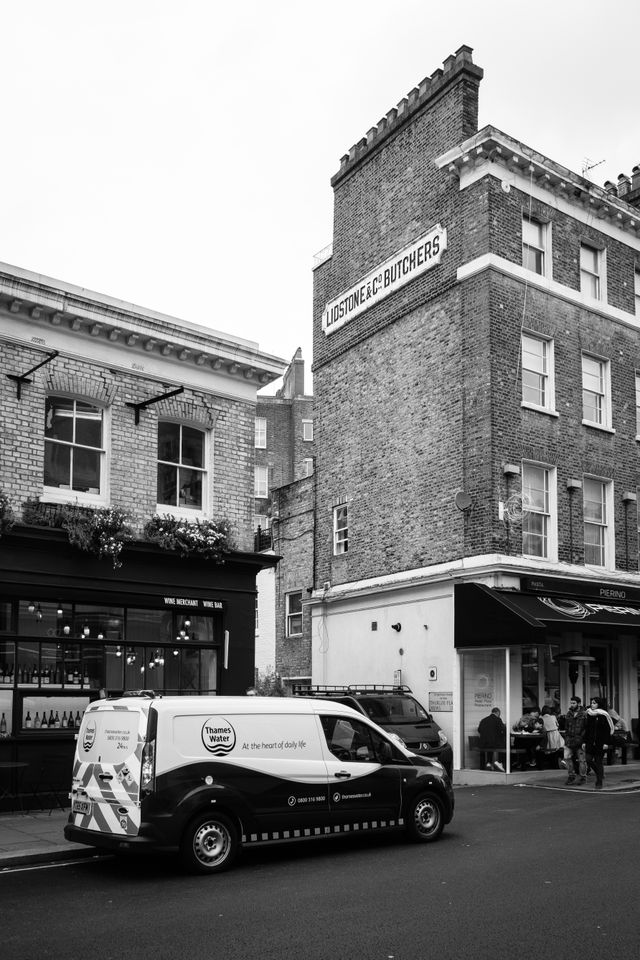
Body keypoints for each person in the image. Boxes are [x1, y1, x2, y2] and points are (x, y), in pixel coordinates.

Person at [583, 696, 615, 790]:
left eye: (594, 703)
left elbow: (607, 730)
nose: (592, 705)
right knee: (588, 759)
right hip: (590, 742)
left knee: (598, 761)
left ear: (599, 704)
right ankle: (599, 773)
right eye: (591, 702)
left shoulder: (604, 715)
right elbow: (587, 729)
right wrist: (585, 741)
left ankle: (599, 782)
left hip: (600, 743)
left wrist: (606, 743)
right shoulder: (589, 714)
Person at [562, 696, 586, 785]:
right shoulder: (569, 714)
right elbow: (566, 727)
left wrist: (583, 740)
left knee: (582, 760)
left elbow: (586, 728)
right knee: (567, 758)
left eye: (574, 703)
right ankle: (571, 776)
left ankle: (583, 777)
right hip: (569, 739)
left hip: (580, 739)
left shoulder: (584, 714)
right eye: (571, 703)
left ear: (579, 704)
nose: (572, 705)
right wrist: (566, 738)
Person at [478, 707, 506, 772]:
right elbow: (503, 729)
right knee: (504, 745)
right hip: (493, 744)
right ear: (497, 712)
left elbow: (479, 730)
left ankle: (488, 763)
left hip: (483, 744)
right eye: (499, 713)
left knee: (490, 743)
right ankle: (499, 762)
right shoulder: (498, 719)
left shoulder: (483, 720)